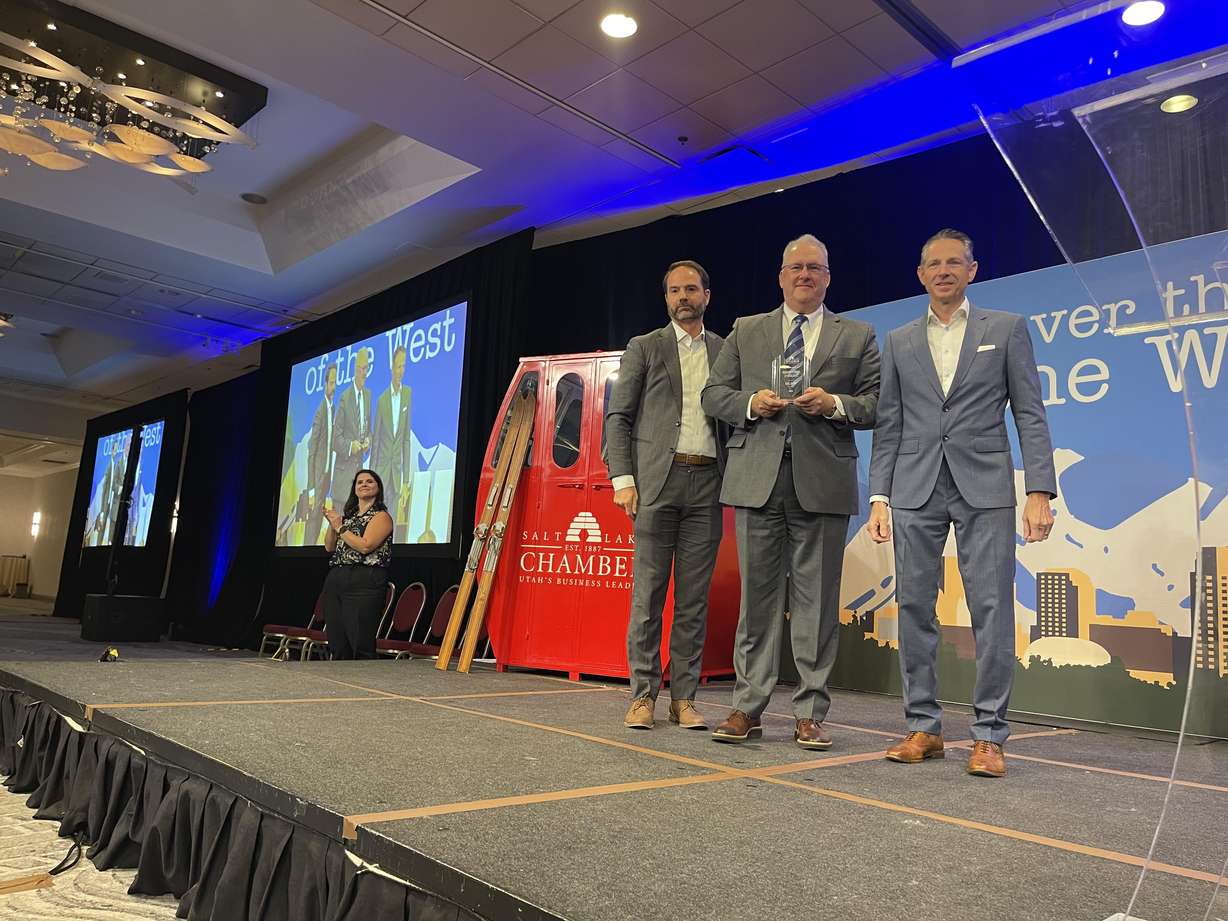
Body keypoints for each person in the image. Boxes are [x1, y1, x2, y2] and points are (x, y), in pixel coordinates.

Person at [867, 228, 1056, 778]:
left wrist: (1038, 489)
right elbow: (889, 426)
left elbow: (1029, 413)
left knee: (992, 609)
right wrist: (880, 496)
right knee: (914, 609)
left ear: (972, 270)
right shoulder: (899, 340)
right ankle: (923, 728)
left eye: (955, 262)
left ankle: (990, 736)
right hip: (915, 487)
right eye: (934, 263)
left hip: (986, 486)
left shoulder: (1007, 329)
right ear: (921, 274)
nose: (944, 270)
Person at [701, 234, 880, 749]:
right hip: (758, 479)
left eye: (816, 268)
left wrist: (835, 404)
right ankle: (747, 708)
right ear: (781, 276)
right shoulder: (746, 330)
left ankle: (809, 712)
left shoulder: (859, 335)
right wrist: (751, 403)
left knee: (817, 605)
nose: (805, 275)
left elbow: (875, 404)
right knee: (755, 602)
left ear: (828, 277)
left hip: (822, 482)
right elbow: (714, 395)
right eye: (796, 268)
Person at [606, 260, 726, 731]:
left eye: (691, 289)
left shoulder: (724, 349)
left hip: (708, 483)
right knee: (648, 597)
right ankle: (642, 696)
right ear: (666, 298)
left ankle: (685, 699)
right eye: (675, 290)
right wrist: (623, 478)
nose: (683, 297)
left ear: (706, 295)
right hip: (657, 482)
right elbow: (618, 417)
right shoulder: (645, 347)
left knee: (694, 600)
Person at [322, 468, 394, 659]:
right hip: (337, 577)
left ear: (378, 488)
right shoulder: (349, 518)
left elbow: (365, 546)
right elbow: (329, 547)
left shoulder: (381, 516)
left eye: (369, 481)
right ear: (354, 489)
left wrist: (340, 527)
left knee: (360, 640)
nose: (364, 484)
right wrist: (332, 525)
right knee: (338, 639)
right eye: (359, 482)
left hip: (364, 580)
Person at [373, 344, 412, 541]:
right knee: (377, 522)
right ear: (392, 368)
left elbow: (406, 440)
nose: (401, 371)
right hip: (381, 472)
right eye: (398, 366)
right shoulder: (381, 400)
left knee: (393, 525)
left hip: (396, 473)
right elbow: (377, 441)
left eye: (404, 366)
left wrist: (406, 480)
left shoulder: (407, 395)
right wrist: (372, 477)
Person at [334, 348, 373, 514]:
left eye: (366, 368)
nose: (364, 373)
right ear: (355, 369)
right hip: (343, 481)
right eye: (361, 368)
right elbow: (335, 439)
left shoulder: (368, 396)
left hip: (359, 482)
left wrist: (368, 441)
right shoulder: (345, 397)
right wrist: (351, 446)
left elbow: (369, 429)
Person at [305, 362, 338, 544]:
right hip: (317, 476)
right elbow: (312, 450)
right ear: (325, 384)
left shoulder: (331, 408)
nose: (333, 386)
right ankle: (307, 547)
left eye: (335, 382)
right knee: (313, 518)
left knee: (320, 516)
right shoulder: (320, 411)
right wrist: (310, 488)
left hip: (326, 475)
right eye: (331, 383)